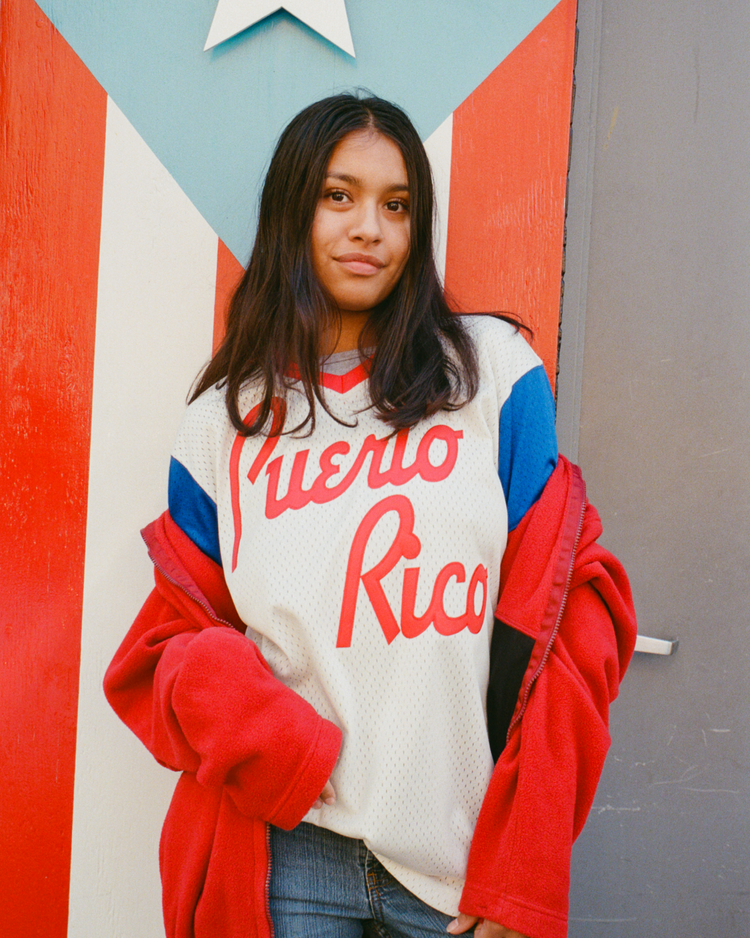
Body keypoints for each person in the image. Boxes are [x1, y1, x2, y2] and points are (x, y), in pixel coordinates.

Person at [104, 93, 637, 938]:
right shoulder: (223, 421)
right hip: (291, 852)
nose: (370, 228)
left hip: (460, 858)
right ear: (292, 209)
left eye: (397, 205)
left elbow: (569, 612)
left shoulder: (494, 374)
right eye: (338, 195)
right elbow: (173, 637)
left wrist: (523, 865)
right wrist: (281, 746)